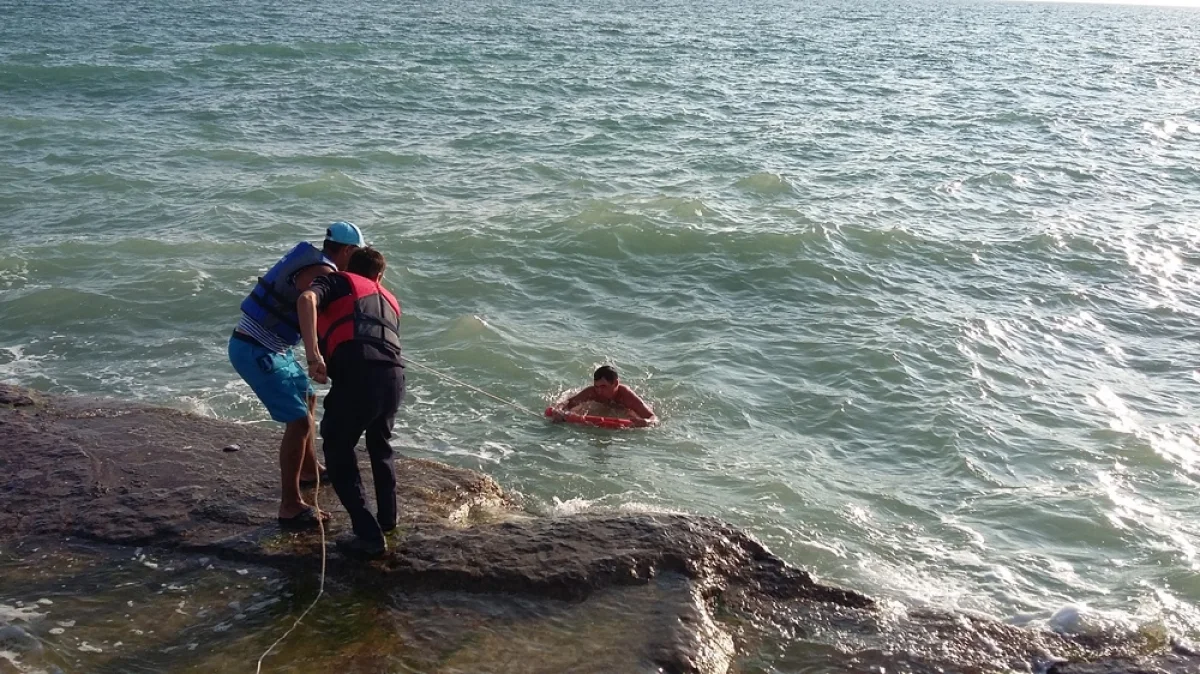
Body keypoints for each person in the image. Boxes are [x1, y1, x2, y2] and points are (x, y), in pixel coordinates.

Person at [228, 221, 364, 530]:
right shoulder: (323, 272)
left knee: (308, 397)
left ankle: (308, 469)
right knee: (300, 422)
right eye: (355, 254)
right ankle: (289, 505)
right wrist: (314, 356)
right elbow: (307, 304)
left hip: (273, 347)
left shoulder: (317, 261)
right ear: (346, 250)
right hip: (255, 349)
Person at [297, 247, 405, 559]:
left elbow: (306, 299)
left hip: (361, 373)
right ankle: (387, 520)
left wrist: (313, 355)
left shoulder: (339, 282)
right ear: (379, 277)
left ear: (349, 266)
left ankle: (367, 535)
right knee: (380, 444)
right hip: (394, 378)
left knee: (336, 443)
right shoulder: (389, 300)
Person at [550, 365, 658, 427]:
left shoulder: (626, 396)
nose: (599, 390)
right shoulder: (592, 392)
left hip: (622, 410)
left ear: (615, 383)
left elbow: (653, 418)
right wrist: (558, 411)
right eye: (596, 386)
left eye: (603, 386)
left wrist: (645, 422)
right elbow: (568, 403)